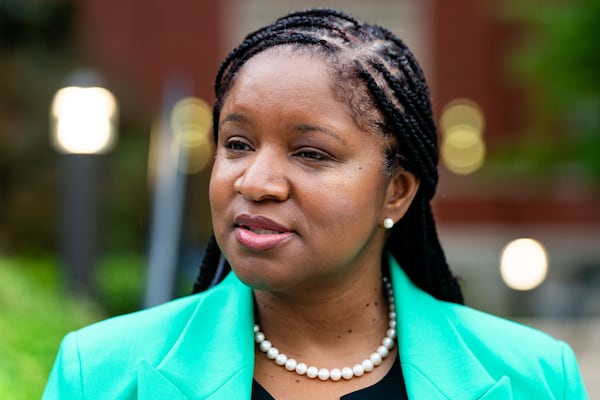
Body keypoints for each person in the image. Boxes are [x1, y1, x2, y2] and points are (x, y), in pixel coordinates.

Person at [43, 7, 588, 399]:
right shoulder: (101, 373)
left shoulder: (531, 376)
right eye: (237, 144)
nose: (255, 182)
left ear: (395, 190)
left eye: (310, 153)